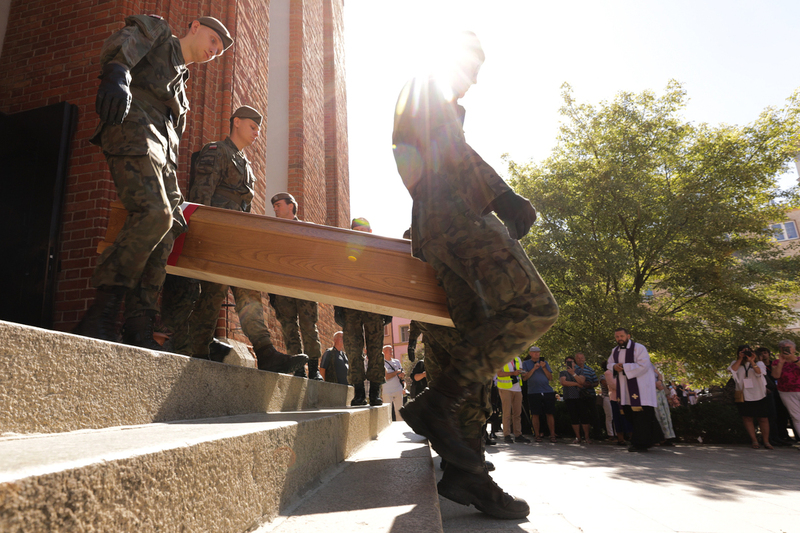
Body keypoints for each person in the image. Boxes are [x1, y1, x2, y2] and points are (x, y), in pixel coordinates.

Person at [392, 31, 558, 520]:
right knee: (534, 308)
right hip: (458, 218)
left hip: (438, 226)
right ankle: (437, 403)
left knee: (478, 343)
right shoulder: (427, 90)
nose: (474, 79)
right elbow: (451, 153)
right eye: (471, 67)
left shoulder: (428, 98)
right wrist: (503, 196)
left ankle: (468, 471)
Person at [74, 15, 233, 347]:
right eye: (213, 40)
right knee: (155, 213)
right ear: (194, 27)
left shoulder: (183, 92)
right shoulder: (161, 36)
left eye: (219, 50)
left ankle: (140, 324)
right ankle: (101, 313)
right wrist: (117, 72)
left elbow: (172, 139)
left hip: (162, 155)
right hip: (133, 128)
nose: (215, 51)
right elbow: (127, 42)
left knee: (170, 224)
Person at [163, 106, 307, 374]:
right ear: (236, 123)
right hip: (214, 236)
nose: (257, 133)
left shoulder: (247, 166)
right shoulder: (216, 151)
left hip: (234, 241)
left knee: (246, 288)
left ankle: (265, 351)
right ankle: (197, 349)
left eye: (258, 129)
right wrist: (201, 237)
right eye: (252, 127)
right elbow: (201, 196)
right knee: (212, 294)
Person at [269, 192, 323, 380]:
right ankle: (298, 368)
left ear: (291, 206)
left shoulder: (307, 229)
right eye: (274, 206)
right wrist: (272, 291)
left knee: (308, 326)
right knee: (288, 327)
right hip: (282, 287)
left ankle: (314, 369)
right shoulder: (273, 232)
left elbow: (317, 257)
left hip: (304, 286)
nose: (275, 209)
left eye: (278, 205)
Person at [335, 218, 389, 406]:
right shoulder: (344, 252)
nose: (360, 233)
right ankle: (359, 393)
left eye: (363, 230)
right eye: (356, 230)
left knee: (375, 349)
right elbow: (339, 279)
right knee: (353, 349)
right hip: (351, 306)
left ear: (370, 231)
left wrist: (388, 308)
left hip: (374, 306)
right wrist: (338, 306)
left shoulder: (380, 252)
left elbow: (387, 279)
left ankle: (375, 393)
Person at [607, 328, 663, 452]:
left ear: (628, 336)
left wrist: (624, 367)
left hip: (641, 390)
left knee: (642, 417)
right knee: (630, 415)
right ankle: (650, 439)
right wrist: (614, 366)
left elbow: (644, 365)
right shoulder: (615, 350)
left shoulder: (639, 348)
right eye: (617, 337)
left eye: (622, 336)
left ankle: (640, 444)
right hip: (625, 391)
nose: (619, 339)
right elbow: (609, 364)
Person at [729, 345, 772, 449]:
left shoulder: (759, 363)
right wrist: (740, 359)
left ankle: (766, 441)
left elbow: (759, 373)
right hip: (744, 395)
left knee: (763, 418)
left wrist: (752, 361)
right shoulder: (736, 363)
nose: (745, 353)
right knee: (747, 418)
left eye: (748, 351)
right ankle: (754, 440)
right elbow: (732, 370)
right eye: (743, 352)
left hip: (759, 394)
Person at [520, 346, 557, 443]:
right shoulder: (525, 363)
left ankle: (552, 435)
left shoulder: (545, 363)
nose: (537, 354)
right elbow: (524, 378)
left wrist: (544, 367)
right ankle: (537, 435)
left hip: (547, 391)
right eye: (535, 352)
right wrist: (534, 368)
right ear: (530, 353)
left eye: (538, 352)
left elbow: (550, 378)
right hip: (533, 392)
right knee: (535, 414)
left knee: (550, 413)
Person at [497, 354, 530, 444]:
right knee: (507, 413)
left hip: (517, 388)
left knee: (517, 413)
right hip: (505, 388)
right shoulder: (501, 358)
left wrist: (523, 372)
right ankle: (506, 435)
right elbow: (499, 374)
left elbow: (519, 371)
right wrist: (513, 373)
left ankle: (518, 435)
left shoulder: (518, 359)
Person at [771, 340, 800, 440]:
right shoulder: (776, 362)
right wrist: (781, 363)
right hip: (786, 392)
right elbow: (776, 376)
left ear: (794, 349)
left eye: (789, 347)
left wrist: (794, 360)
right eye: (784, 348)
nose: (787, 350)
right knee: (796, 417)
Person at [559, 355, 590, 444]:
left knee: (584, 417)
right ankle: (578, 437)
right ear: (565, 364)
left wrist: (573, 374)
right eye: (567, 362)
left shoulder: (580, 371)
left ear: (574, 363)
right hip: (569, 397)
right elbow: (564, 382)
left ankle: (587, 437)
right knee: (574, 417)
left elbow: (582, 382)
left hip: (580, 397)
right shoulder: (563, 372)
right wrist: (576, 384)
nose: (570, 363)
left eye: (571, 361)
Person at [654, 369, 677, 445]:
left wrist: (659, 381)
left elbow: (659, 374)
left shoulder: (651, 366)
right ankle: (660, 437)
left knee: (663, 415)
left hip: (660, 394)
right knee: (657, 415)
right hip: (652, 394)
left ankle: (666, 436)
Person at [382, 345, 404, 419]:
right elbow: (386, 377)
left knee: (400, 412)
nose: (391, 351)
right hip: (386, 391)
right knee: (387, 413)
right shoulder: (381, 363)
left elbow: (402, 375)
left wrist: (402, 375)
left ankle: (400, 426)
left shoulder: (397, 361)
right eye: (389, 350)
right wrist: (396, 372)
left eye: (392, 350)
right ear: (384, 352)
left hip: (398, 389)